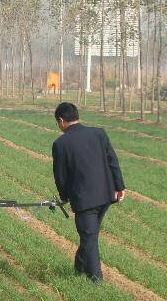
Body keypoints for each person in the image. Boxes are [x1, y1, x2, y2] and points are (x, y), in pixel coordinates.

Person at [52, 102, 125, 282]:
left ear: (61, 121)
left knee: (89, 237)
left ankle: (96, 279)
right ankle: (79, 268)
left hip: (84, 200)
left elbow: (60, 176)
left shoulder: (60, 144)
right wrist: (120, 187)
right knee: (89, 236)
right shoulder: (99, 133)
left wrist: (64, 197)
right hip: (106, 195)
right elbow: (112, 161)